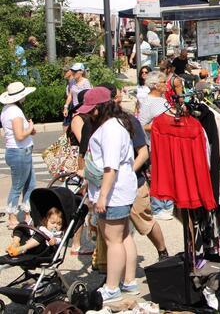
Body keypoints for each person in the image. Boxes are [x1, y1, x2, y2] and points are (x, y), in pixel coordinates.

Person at [92, 84, 170, 271]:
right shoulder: (96, 123)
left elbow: (143, 153)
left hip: (134, 182)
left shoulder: (127, 122)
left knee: (145, 223)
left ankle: (162, 251)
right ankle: (113, 270)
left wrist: (127, 173)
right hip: (109, 185)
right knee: (118, 234)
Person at [78, 87, 139, 304]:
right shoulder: (117, 124)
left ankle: (112, 287)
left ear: (102, 107)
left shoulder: (111, 129)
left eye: (92, 110)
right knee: (123, 237)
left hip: (114, 192)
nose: (89, 114)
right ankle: (129, 281)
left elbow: (110, 167)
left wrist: (102, 196)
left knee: (113, 240)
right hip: (121, 190)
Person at [136, 72, 173, 221]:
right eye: (164, 82)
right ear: (155, 85)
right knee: (158, 175)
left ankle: (168, 204)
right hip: (155, 145)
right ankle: (158, 207)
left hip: (166, 143)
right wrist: (162, 126)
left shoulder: (162, 99)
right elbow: (143, 125)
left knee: (168, 173)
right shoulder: (148, 102)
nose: (166, 85)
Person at [1, 82, 37, 229]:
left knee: (30, 184)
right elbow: (20, 135)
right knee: (18, 186)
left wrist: (29, 130)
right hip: (19, 152)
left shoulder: (7, 109)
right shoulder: (15, 112)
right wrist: (31, 128)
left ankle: (27, 213)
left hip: (19, 151)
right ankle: (12, 216)